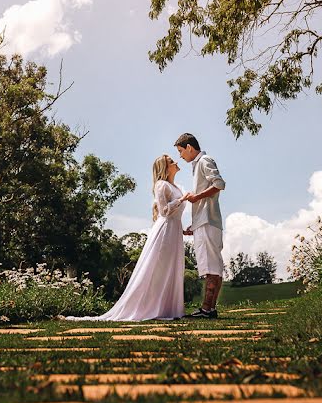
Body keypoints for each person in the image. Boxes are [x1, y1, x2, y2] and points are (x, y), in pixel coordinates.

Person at [67, 154, 189, 322]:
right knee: (158, 269)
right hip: (165, 232)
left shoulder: (176, 188)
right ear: (165, 168)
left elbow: (175, 214)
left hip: (175, 232)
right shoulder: (161, 185)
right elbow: (164, 211)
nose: (175, 161)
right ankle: (150, 308)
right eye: (170, 161)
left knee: (171, 269)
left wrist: (183, 229)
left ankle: (166, 308)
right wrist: (182, 200)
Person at [175, 133, 226, 318]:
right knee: (215, 267)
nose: (180, 156)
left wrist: (195, 197)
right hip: (206, 222)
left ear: (189, 147)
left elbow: (219, 184)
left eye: (181, 151)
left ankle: (206, 309)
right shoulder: (198, 165)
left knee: (211, 267)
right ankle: (210, 309)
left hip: (208, 222)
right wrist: (194, 225)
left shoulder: (204, 160)